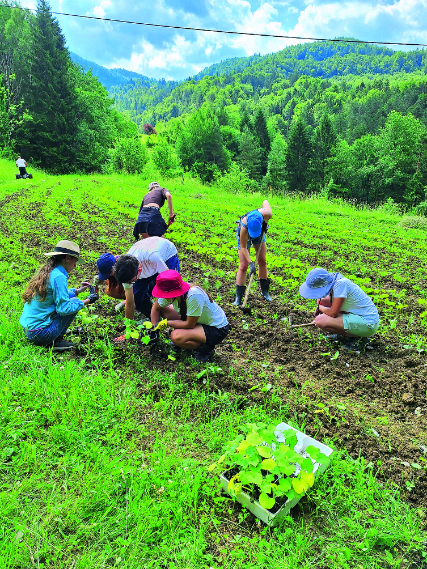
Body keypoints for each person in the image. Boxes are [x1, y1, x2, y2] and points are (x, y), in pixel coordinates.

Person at [19, 240, 98, 351]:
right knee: (74, 302)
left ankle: (54, 335)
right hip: (40, 334)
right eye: (75, 261)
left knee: (73, 299)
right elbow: (64, 309)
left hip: (28, 330)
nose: (75, 265)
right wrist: (87, 301)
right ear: (67, 258)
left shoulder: (50, 271)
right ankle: (56, 341)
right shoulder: (59, 277)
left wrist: (77, 290)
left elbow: (55, 295)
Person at [151, 270, 230, 362]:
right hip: (196, 321)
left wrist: (166, 323)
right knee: (164, 311)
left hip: (216, 328)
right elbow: (155, 309)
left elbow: (189, 324)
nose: (162, 296)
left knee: (176, 336)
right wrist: (154, 328)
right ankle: (189, 337)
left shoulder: (194, 295)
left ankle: (206, 349)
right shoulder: (170, 294)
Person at [299, 268, 380, 338]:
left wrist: (320, 309)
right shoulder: (334, 281)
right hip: (356, 314)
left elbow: (333, 313)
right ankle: (350, 331)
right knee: (322, 301)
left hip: (368, 323)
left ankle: (354, 337)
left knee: (320, 321)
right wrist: (322, 308)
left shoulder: (341, 285)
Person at [113, 236, 180, 320]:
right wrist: (128, 328)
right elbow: (130, 303)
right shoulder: (126, 270)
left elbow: (170, 281)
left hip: (166, 255)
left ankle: (181, 318)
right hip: (146, 260)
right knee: (137, 297)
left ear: (140, 270)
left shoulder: (154, 258)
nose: (129, 284)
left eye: (132, 281)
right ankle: (154, 317)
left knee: (171, 290)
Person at [232, 200, 273, 305]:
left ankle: (265, 292)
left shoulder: (266, 214)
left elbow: (265, 202)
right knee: (243, 266)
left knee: (262, 261)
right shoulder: (244, 227)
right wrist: (250, 263)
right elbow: (243, 247)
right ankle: (238, 298)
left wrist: (265, 223)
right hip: (245, 237)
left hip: (260, 234)